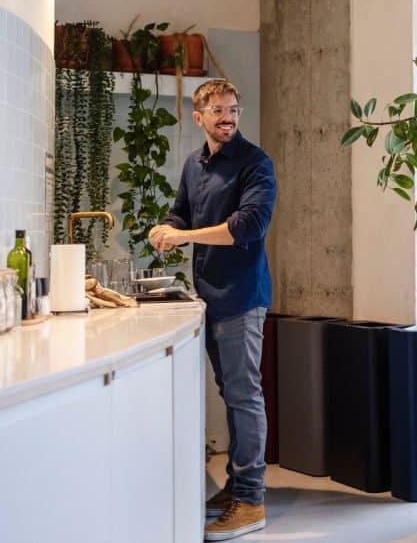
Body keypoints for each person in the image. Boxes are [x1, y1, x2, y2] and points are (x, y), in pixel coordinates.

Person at [150, 79, 277, 542]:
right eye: (218, 110)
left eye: (233, 109)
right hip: (209, 297)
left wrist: (184, 237)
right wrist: (166, 228)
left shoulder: (256, 163)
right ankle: (236, 488)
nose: (228, 117)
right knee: (232, 395)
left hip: (242, 297)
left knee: (244, 397)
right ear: (198, 116)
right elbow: (182, 211)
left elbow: (248, 226)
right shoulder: (195, 164)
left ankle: (251, 500)